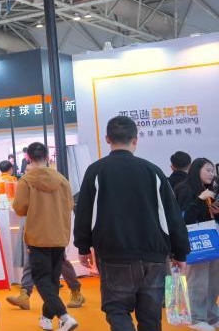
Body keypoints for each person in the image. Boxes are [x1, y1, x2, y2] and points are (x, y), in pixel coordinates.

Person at [74, 115, 190, 331]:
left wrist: (83, 246)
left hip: (114, 253)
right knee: (151, 317)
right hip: (154, 255)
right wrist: (180, 252)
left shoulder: (96, 170)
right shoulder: (153, 171)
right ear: (135, 140)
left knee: (117, 309)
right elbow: (172, 215)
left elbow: (84, 212)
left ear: (107, 139)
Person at [12, 142, 79, 331]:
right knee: (52, 280)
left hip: (38, 236)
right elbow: (69, 205)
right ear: (48, 156)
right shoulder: (62, 180)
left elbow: (19, 208)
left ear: (28, 158)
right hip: (59, 235)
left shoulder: (26, 181)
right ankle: (46, 318)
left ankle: (64, 316)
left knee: (41, 278)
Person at [174, 158, 219, 331]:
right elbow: (184, 218)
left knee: (213, 280)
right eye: (207, 170)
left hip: (210, 237)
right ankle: (196, 317)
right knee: (198, 280)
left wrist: (214, 210)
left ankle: (211, 314)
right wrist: (200, 199)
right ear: (196, 169)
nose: (211, 174)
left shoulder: (207, 190)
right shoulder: (185, 189)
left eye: (212, 170)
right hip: (195, 240)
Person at [6, 251, 85, 311]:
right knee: (31, 259)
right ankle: (24, 295)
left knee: (60, 260)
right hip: (35, 236)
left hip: (55, 237)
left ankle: (76, 292)